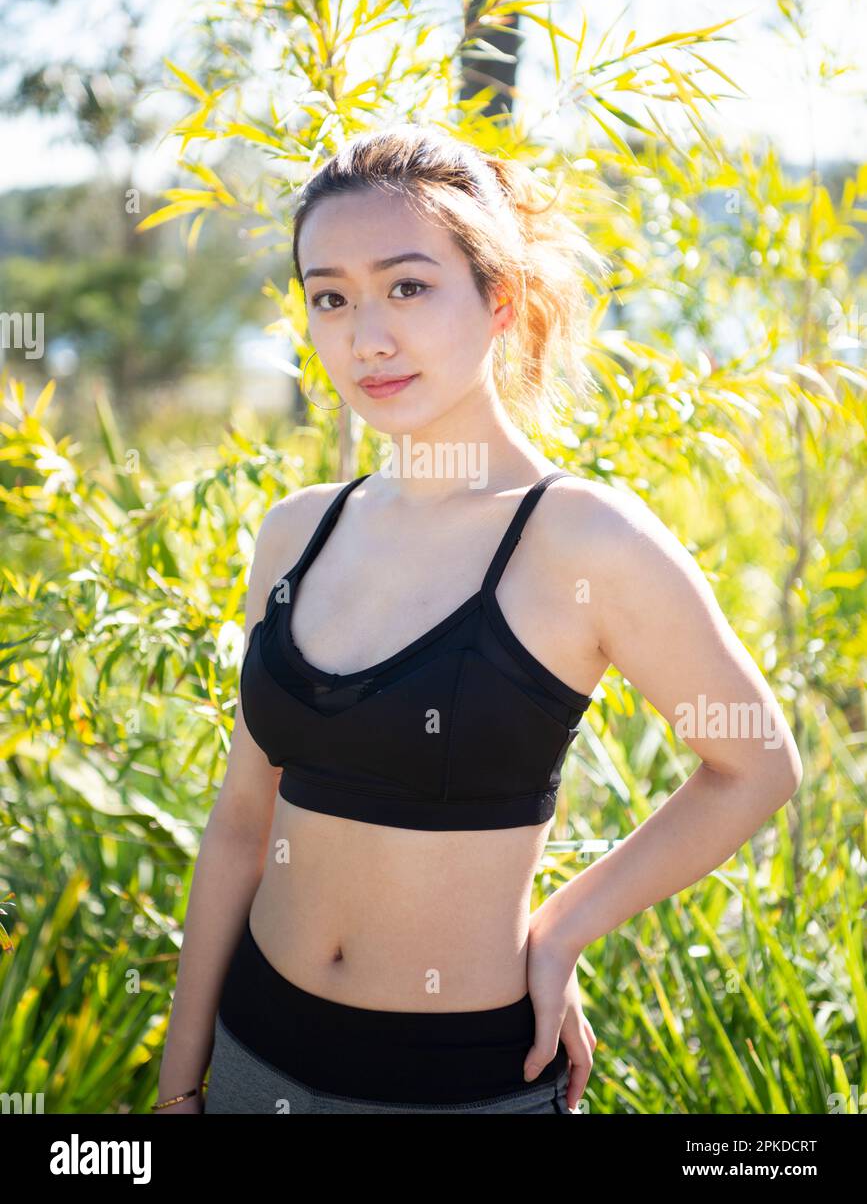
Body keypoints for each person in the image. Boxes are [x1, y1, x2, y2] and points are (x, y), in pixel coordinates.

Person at [154, 124, 802, 1115]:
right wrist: (179, 1082)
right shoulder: (297, 534)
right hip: (256, 1054)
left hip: (459, 1085)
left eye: (407, 286)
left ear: (499, 301)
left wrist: (562, 929)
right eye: (331, 296)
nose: (366, 336)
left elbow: (755, 764)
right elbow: (243, 823)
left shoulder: (579, 538)